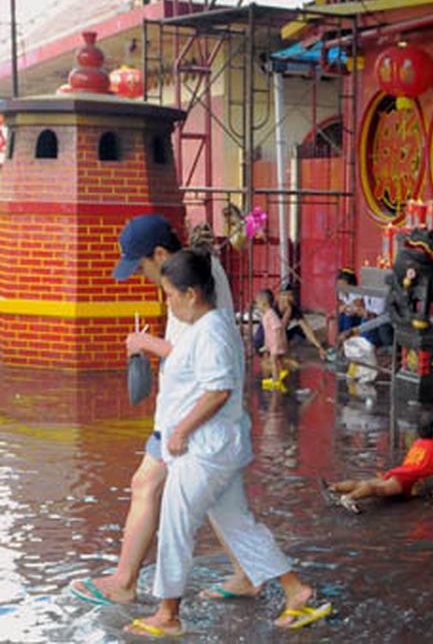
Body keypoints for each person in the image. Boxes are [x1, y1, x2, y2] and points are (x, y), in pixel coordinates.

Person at [125, 249, 330, 636]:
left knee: (175, 526)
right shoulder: (208, 326)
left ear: (191, 294)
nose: (168, 303)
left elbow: (218, 391)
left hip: (204, 450)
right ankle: (295, 590)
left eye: (170, 295)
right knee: (239, 526)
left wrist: (181, 430)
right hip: (217, 447)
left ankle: (167, 614)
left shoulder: (211, 331)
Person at [70, 214, 248, 608]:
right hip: (198, 414)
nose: (142, 277)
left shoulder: (191, 284)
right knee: (220, 501)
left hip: (191, 414)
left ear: (161, 254)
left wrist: (145, 343)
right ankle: (253, 574)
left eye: (141, 267)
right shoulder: (197, 270)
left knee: (147, 485)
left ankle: (129, 585)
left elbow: (195, 355)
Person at [326, 409, 433, 513]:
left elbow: (413, 463)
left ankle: (334, 487)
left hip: (399, 473)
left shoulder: (418, 443)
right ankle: (349, 497)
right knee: (376, 489)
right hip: (405, 480)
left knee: (363, 483)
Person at [256, 289, 288, 393]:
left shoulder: (271, 314)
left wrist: (278, 342)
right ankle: (280, 372)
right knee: (277, 359)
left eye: (258, 304)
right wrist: (266, 345)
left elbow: (277, 327)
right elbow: (267, 332)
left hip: (276, 342)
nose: (257, 306)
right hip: (272, 342)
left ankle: (275, 379)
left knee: (273, 360)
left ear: (264, 303)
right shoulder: (266, 315)